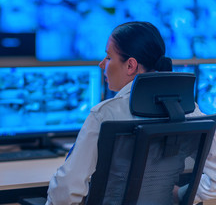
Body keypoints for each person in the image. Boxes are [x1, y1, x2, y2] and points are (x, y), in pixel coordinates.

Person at [45, 21, 206, 205]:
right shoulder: (189, 111)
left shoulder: (105, 114)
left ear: (130, 65)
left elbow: (65, 191)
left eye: (108, 57)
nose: (101, 64)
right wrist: (184, 195)